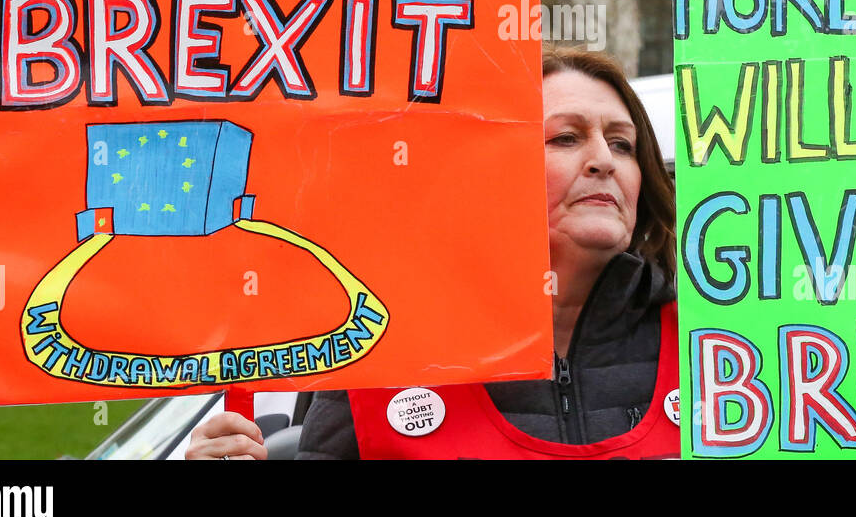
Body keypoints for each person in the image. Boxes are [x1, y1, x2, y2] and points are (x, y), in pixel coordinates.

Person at [187, 47, 677, 459]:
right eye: (565, 138)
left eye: (623, 143)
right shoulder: (380, 356)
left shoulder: (710, 341)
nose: (604, 161)